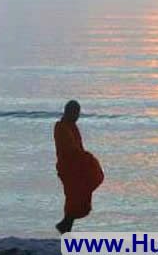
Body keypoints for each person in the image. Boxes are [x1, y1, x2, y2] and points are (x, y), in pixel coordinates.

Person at [54, 100, 103, 234]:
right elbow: (69, 150)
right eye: (75, 113)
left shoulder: (71, 126)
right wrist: (86, 157)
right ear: (69, 112)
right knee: (73, 198)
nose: (77, 116)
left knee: (76, 197)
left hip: (76, 168)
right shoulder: (61, 127)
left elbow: (76, 148)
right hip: (69, 168)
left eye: (78, 113)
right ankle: (65, 226)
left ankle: (65, 225)